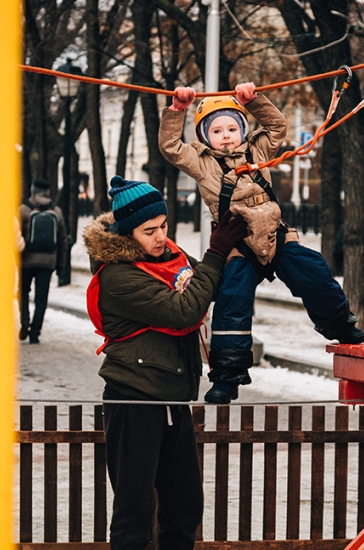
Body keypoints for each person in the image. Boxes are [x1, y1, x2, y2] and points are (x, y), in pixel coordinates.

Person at [159, 83, 364, 405]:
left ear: (243, 130)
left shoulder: (257, 151)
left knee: (313, 270)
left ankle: (340, 324)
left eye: (232, 129)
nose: (226, 136)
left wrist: (254, 101)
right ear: (204, 137)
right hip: (238, 243)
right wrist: (177, 110)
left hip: (274, 235)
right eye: (217, 131)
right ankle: (227, 376)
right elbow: (170, 146)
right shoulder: (201, 162)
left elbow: (277, 127)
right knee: (232, 301)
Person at [83, 175, 247, 550]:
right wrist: (216, 253)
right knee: (134, 513)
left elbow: (207, 283)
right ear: (127, 234)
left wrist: (233, 252)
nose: (160, 237)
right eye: (149, 231)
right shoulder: (118, 276)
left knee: (184, 505)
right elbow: (185, 309)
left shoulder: (167, 257)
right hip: (134, 399)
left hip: (171, 398)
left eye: (163, 226)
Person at [18, 178, 67, 344]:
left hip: (26, 260)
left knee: (23, 291)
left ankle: (25, 319)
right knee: (41, 298)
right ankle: (35, 333)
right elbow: (62, 240)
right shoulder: (56, 211)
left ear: (32, 192)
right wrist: (60, 264)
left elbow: (15, 235)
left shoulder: (23, 209)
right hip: (48, 261)